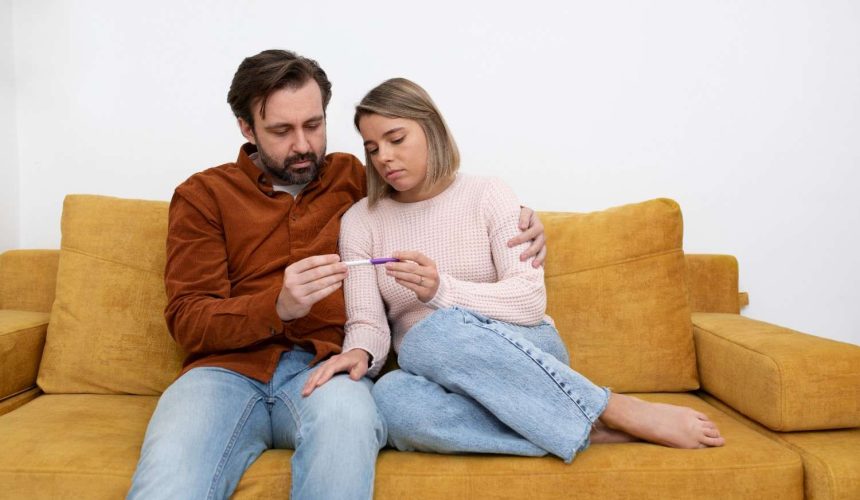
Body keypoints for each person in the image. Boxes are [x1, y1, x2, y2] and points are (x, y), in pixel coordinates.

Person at [127, 50, 547, 500]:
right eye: (281, 131)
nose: (303, 145)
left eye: (314, 124)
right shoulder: (203, 196)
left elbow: (434, 195)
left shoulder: (356, 178)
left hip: (326, 371)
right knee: (167, 483)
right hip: (223, 375)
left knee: (348, 429)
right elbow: (188, 320)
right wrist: (277, 307)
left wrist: (520, 218)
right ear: (247, 128)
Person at [302, 78, 726, 464]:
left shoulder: (489, 194)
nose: (384, 158)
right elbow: (368, 324)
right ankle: (587, 428)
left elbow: (528, 300)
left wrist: (441, 291)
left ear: (431, 128)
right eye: (372, 148)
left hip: (525, 351)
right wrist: (358, 353)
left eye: (396, 139)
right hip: (436, 373)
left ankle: (614, 407)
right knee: (392, 399)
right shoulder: (362, 220)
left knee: (430, 334)